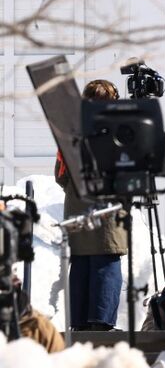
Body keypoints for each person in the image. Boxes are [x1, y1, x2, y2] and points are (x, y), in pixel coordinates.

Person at [54, 79, 126, 331]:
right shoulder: (117, 130)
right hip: (107, 207)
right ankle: (102, 323)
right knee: (106, 262)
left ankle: (80, 324)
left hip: (77, 206)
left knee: (81, 263)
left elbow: (60, 175)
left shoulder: (71, 131)